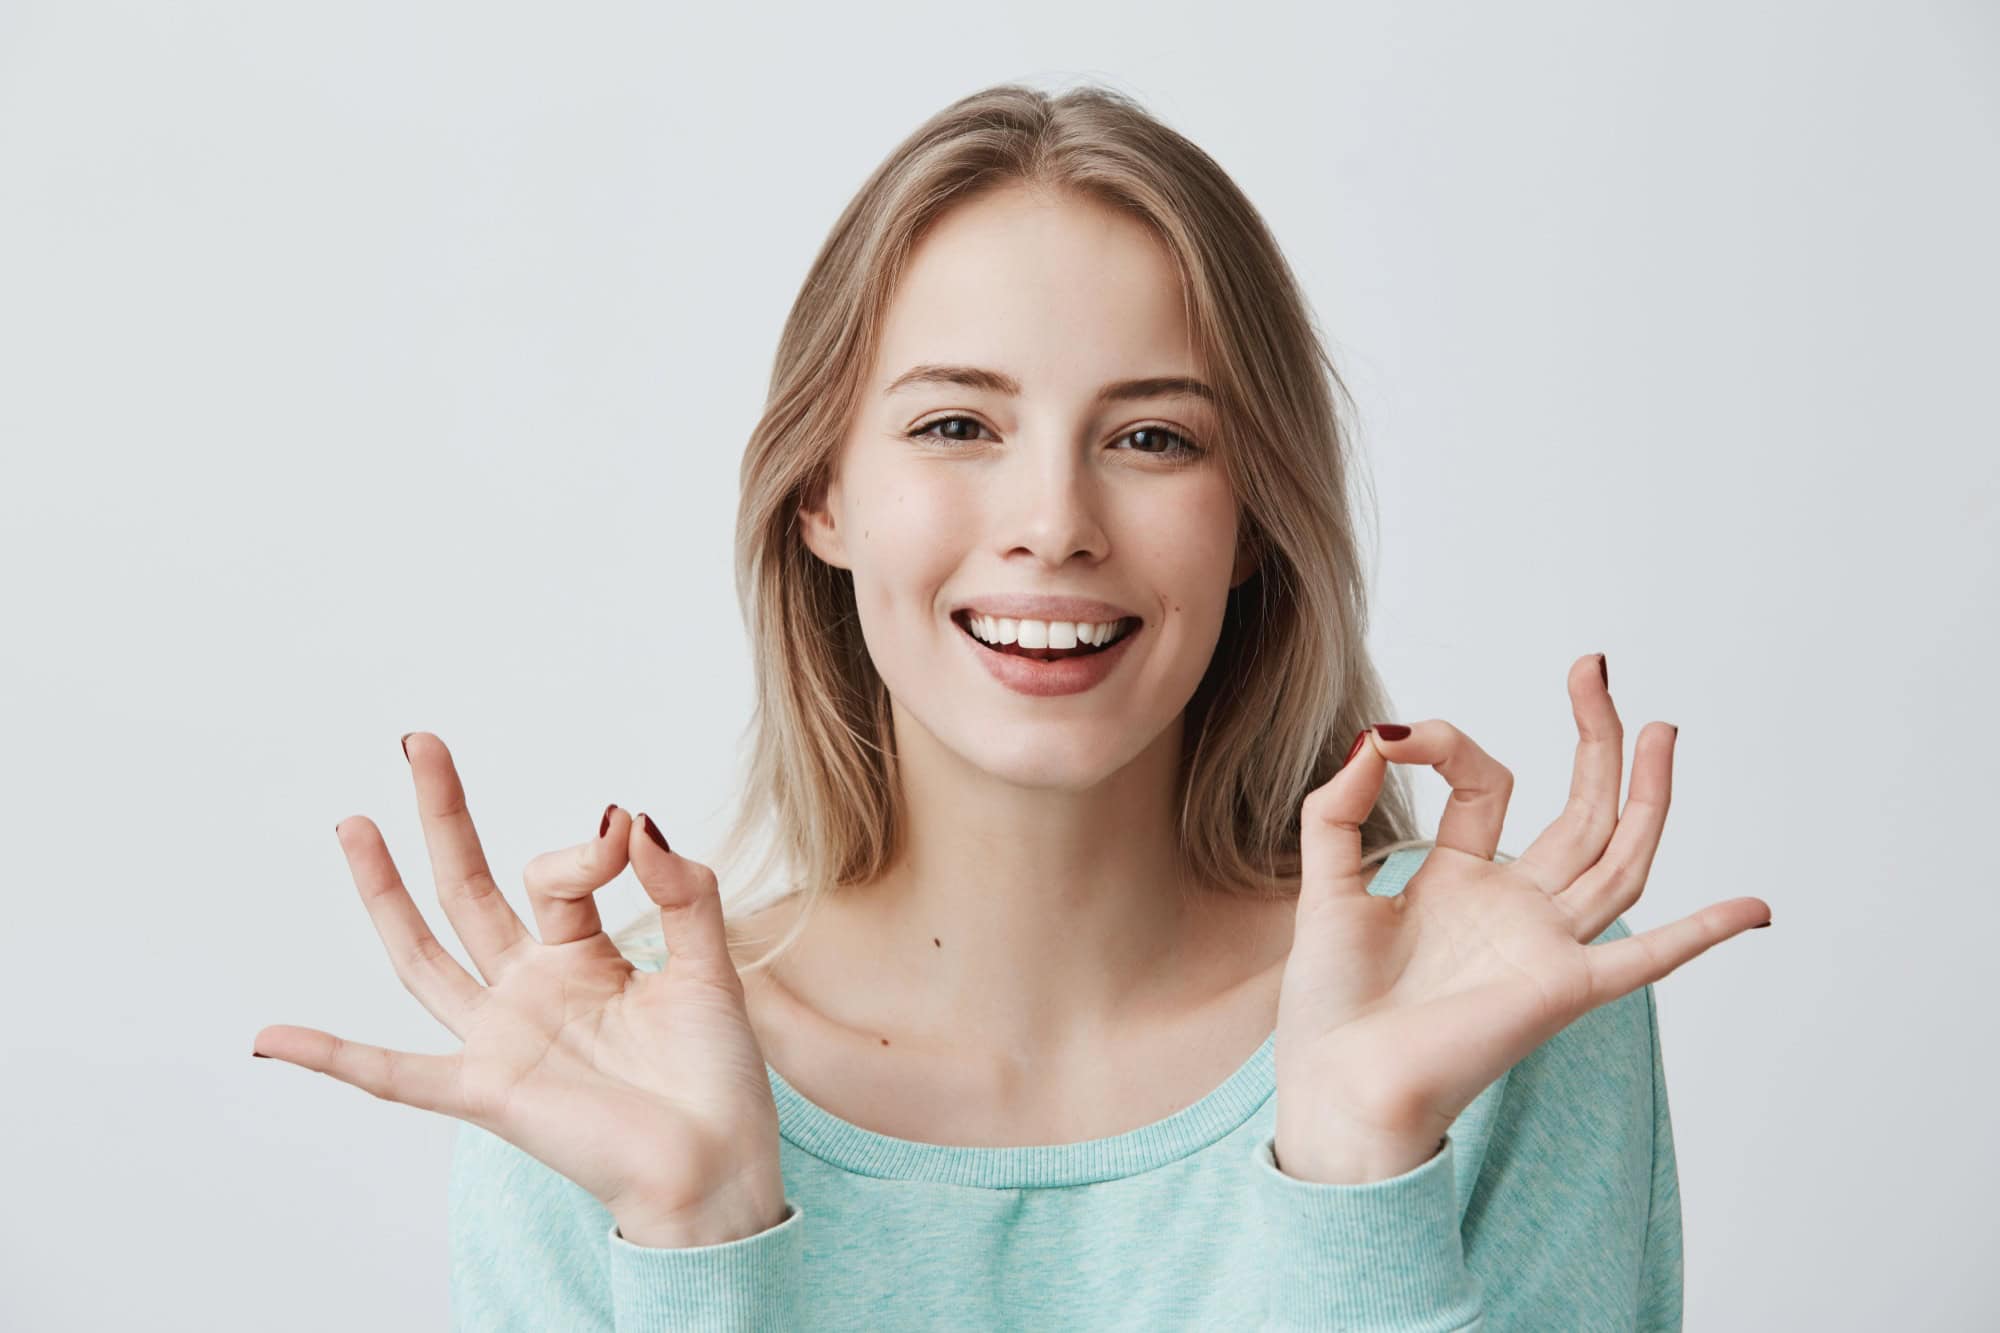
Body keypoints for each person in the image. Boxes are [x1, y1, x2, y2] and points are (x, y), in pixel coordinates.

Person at [252, 82, 1771, 1330]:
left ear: (1256, 520)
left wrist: (1359, 1180)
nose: (1054, 519)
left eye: (1157, 437)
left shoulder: (1485, 1006)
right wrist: (698, 1243)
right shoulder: (600, 1058)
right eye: (957, 422)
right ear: (821, 497)